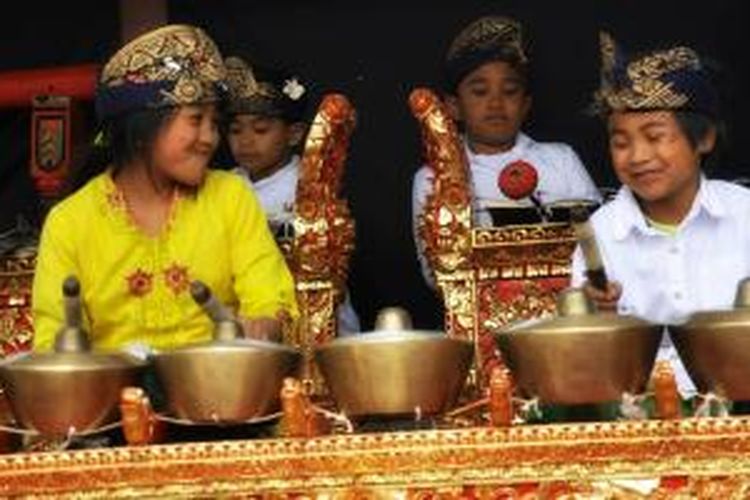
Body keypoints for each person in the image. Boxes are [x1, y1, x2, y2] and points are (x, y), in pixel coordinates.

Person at [32, 24, 297, 353]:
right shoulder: (70, 222)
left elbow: (269, 298)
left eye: (215, 124)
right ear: (143, 128)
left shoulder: (231, 197)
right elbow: (51, 340)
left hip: (220, 391)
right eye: (195, 119)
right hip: (112, 397)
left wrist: (264, 326)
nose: (209, 138)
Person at [571, 32, 750, 399]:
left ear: (704, 139)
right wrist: (594, 317)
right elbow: (584, 354)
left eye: (654, 137)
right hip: (639, 412)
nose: (637, 156)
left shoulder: (744, 213)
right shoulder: (603, 232)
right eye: (621, 143)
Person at [412, 16, 601, 286]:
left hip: (567, 311)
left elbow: (599, 248)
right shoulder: (434, 177)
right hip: (481, 316)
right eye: (480, 92)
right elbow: (436, 274)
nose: (496, 103)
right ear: (453, 107)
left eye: (509, 91)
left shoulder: (561, 159)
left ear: (525, 105)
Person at [224, 55, 361, 334]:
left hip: (317, 324)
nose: (246, 141)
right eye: (235, 130)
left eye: (261, 129)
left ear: (295, 134)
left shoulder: (314, 186)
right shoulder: (223, 188)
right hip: (253, 325)